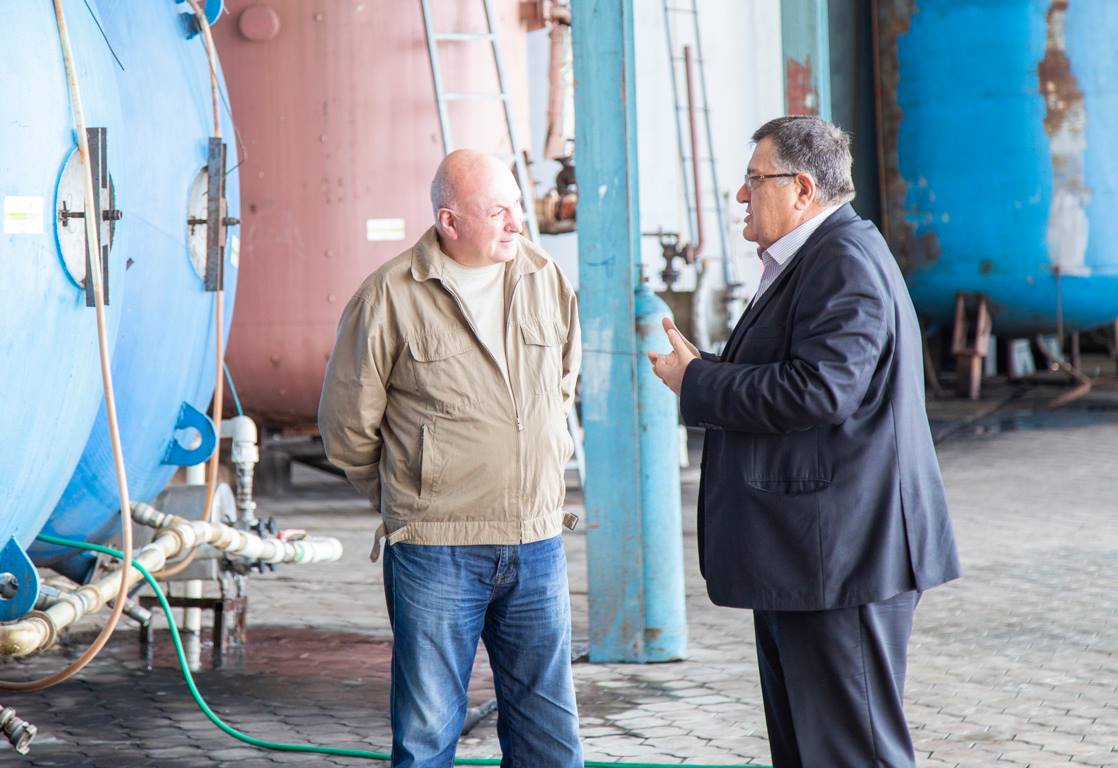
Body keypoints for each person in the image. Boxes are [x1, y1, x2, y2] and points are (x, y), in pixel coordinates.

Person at [648, 116, 960, 767]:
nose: (741, 195)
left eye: (754, 180)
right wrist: (703, 371)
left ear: (802, 189)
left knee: (852, 753)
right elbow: (801, 373)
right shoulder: (818, 257)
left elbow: (821, 390)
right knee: (810, 750)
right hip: (811, 557)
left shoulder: (842, 261)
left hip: (842, 559)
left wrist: (698, 381)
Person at [318, 149, 583, 768]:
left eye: (516, 205)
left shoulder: (544, 276)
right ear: (450, 221)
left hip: (537, 542)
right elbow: (347, 426)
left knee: (550, 735)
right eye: (498, 211)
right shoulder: (390, 296)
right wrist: (414, 493)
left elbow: (564, 380)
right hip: (437, 548)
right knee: (427, 734)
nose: (516, 222)